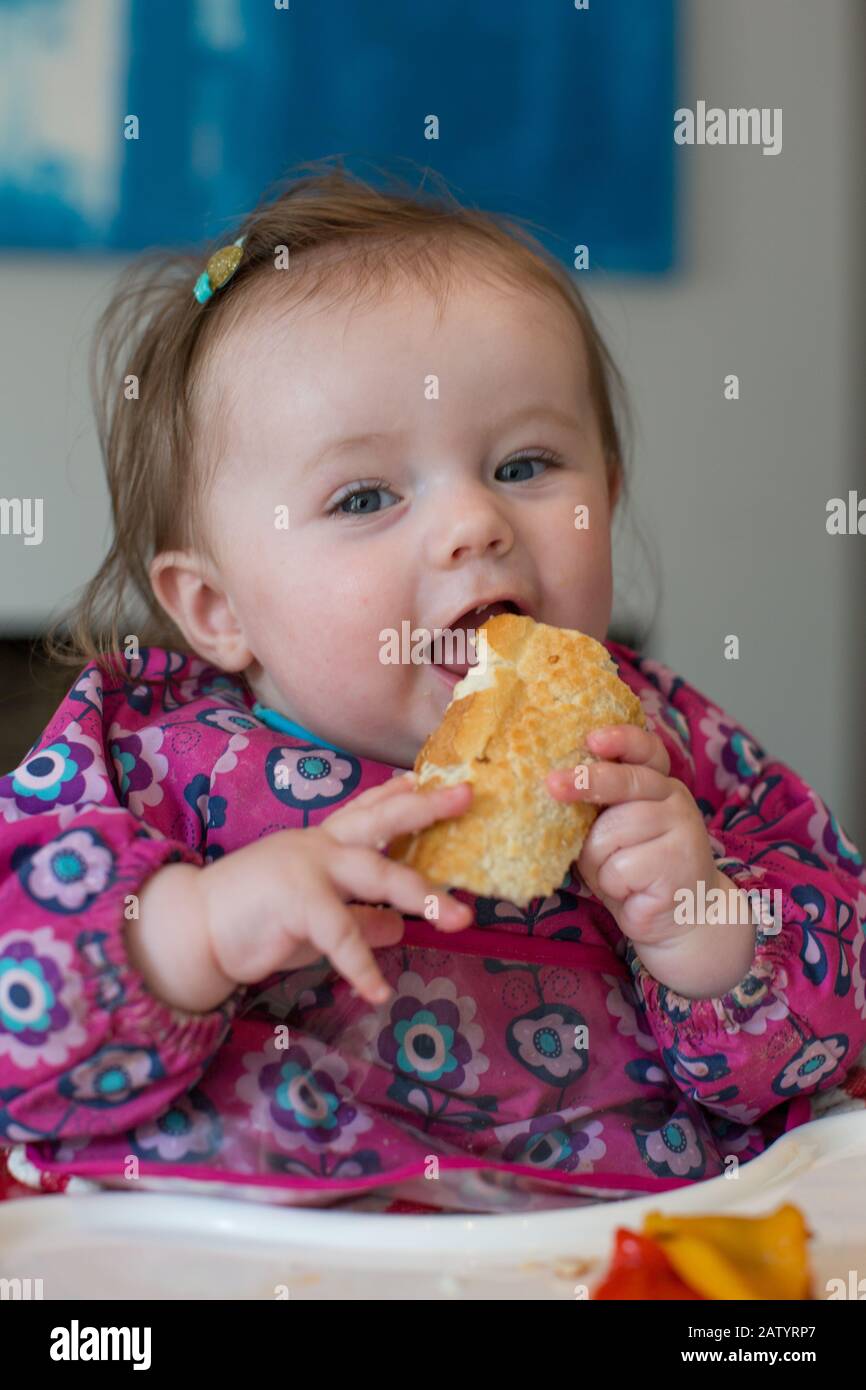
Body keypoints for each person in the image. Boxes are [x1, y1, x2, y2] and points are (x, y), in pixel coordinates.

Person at [2, 161, 863, 1214]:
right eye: (365, 494)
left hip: (608, 1246)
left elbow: (827, 1041)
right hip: (247, 1257)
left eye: (524, 465)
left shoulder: (667, 752)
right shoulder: (142, 758)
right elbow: (22, 1031)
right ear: (216, 606)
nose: (475, 524)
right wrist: (198, 930)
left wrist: (705, 931)